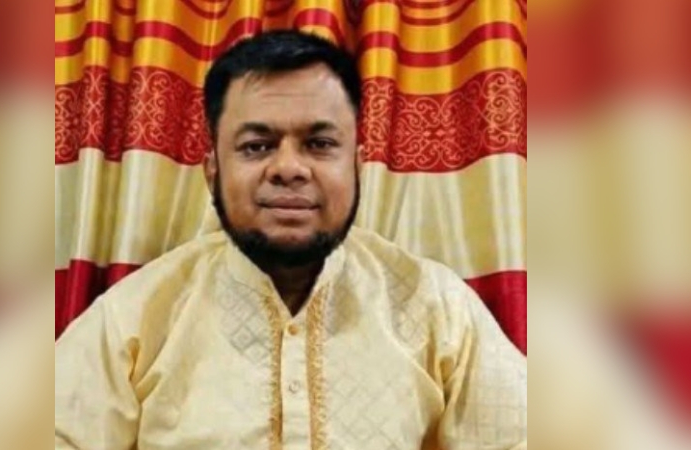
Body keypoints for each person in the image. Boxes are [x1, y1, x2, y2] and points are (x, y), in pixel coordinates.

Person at [55, 30, 527, 450]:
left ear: (357, 165)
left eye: (319, 144)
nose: (288, 168)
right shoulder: (133, 318)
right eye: (256, 146)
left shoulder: (438, 309)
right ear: (212, 170)